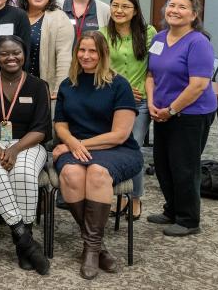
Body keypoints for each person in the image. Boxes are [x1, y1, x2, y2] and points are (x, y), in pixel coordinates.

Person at [53, 31, 142, 280]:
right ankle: (96, 246)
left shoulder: (119, 85)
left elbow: (120, 135)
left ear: (103, 54)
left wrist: (76, 144)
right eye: (82, 50)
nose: (86, 55)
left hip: (116, 150)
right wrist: (70, 141)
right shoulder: (68, 83)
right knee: (70, 173)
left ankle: (90, 250)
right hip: (76, 147)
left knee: (97, 173)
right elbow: (60, 125)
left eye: (92, 51)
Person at [0, 36, 51, 275]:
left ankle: (23, 244)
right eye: (4, 54)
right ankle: (24, 240)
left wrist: (14, 149)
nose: (11, 58)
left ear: (24, 55)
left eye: (16, 53)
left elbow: (42, 128)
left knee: (23, 173)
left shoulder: (37, 85)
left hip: (26, 143)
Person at [145, 0, 218, 237]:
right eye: (172, 5)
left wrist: (172, 110)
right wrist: (153, 103)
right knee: (163, 164)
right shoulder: (158, 39)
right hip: (162, 111)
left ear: (194, 14)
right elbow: (151, 75)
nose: (175, 10)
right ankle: (172, 210)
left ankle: (188, 219)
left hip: (191, 114)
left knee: (184, 166)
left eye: (182, 7)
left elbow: (198, 85)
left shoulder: (199, 43)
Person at [100, 0, 156, 219]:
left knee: (132, 148)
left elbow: (155, 69)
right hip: (110, 101)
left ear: (135, 11)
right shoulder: (102, 34)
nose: (119, 11)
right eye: (115, 5)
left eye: (125, 7)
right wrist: (120, 87)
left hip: (139, 102)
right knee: (112, 149)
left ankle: (135, 198)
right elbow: (98, 67)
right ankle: (118, 197)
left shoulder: (149, 32)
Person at [16, 0, 73, 99]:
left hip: (45, 90)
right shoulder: (15, 15)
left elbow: (64, 57)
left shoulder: (59, 18)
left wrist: (59, 90)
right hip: (14, 87)